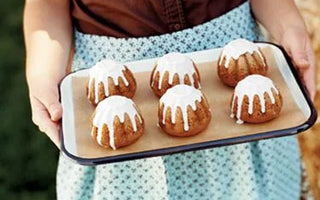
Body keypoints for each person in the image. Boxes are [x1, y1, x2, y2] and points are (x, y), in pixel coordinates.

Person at [24, 0, 316, 199]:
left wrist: (289, 26)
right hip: (115, 103)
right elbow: (47, 7)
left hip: (239, 84)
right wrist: (42, 74)